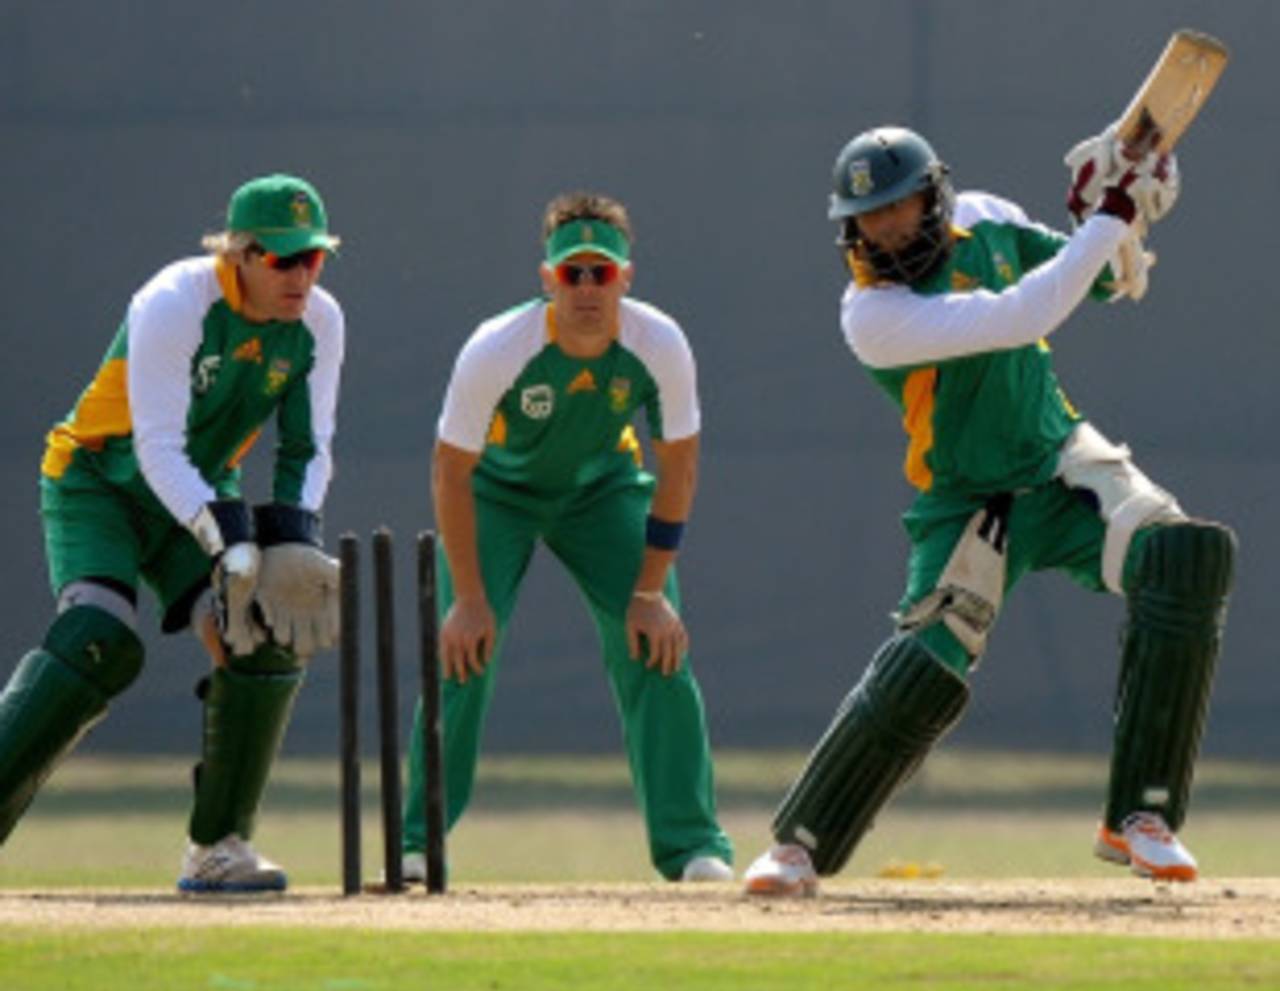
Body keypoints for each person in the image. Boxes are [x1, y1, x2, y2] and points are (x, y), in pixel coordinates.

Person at [743, 126, 1235, 896]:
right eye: (870, 216)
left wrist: (1125, 217)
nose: (888, 229)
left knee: (1185, 558)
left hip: (1062, 461)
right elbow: (1019, 316)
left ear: (934, 198)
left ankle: (1140, 816)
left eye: (900, 208)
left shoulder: (990, 218)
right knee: (922, 668)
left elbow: (1099, 280)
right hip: (968, 500)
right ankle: (800, 843)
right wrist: (1107, 214)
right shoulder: (872, 314)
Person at [0, 174, 345, 893]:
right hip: (99, 478)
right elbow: (156, 444)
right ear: (241, 254)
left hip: (194, 489)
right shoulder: (175, 301)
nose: (301, 276)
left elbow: (307, 448)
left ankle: (216, 846)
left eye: (313, 258)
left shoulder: (320, 322)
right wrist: (229, 538)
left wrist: (295, 536)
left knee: (262, 633)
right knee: (99, 640)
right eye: (284, 260)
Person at [400, 191, 734, 883]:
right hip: (498, 492)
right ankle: (416, 840)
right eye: (572, 274)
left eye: (601, 273)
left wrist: (649, 590)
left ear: (626, 278)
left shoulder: (658, 342)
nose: (587, 288)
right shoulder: (499, 347)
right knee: (464, 653)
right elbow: (450, 470)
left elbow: (681, 462)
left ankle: (692, 845)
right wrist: (467, 599)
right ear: (547, 279)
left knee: (658, 644)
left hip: (601, 487)